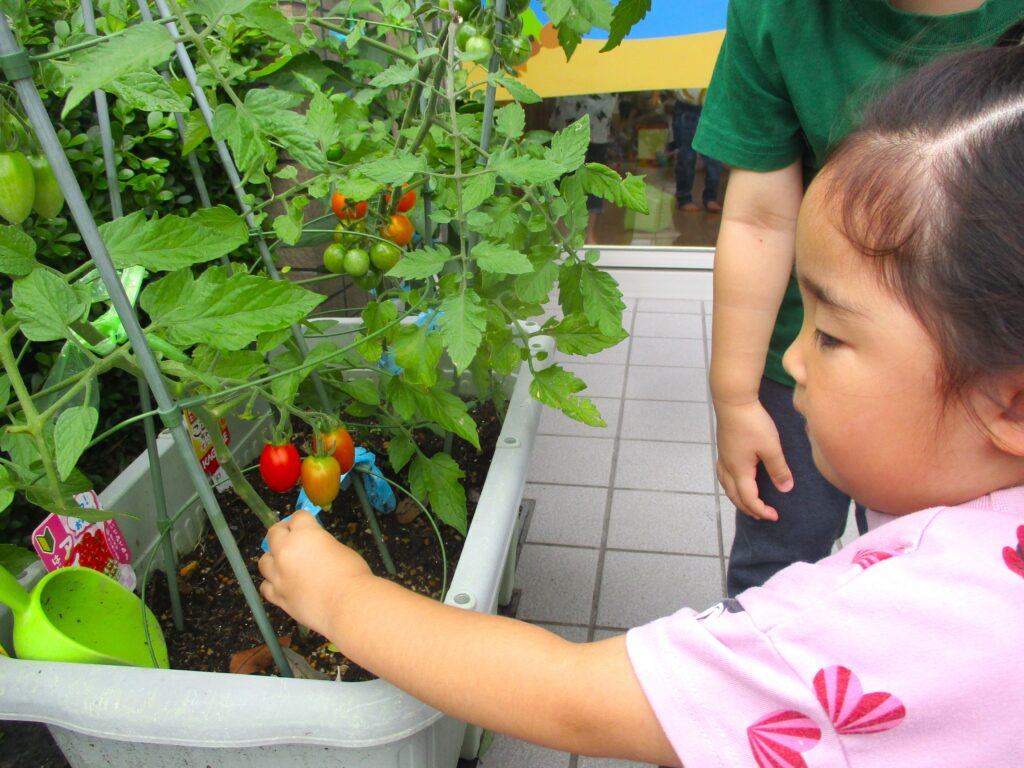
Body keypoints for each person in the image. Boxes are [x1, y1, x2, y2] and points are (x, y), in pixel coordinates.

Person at [259, 46, 1024, 766]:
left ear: (1011, 404)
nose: (790, 357)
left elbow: (572, 700)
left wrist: (345, 598)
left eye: (829, 334)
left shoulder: (885, 635)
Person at [695, 0, 1023, 596]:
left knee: (947, 583)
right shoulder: (775, 14)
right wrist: (736, 395)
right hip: (824, 341)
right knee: (777, 559)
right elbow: (760, 218)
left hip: (975, 375)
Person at [548, 93, 620, 243]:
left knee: (589, 180)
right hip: (574, 116)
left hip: (594, 120)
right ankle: (571, 234)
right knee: (566, 177)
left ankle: (585, 234)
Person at [669, 88, 722, 213]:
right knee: (686, 157)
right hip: (686, 107)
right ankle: (684, 197)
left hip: (711, 107)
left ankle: (710, 197)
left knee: (714, 158)